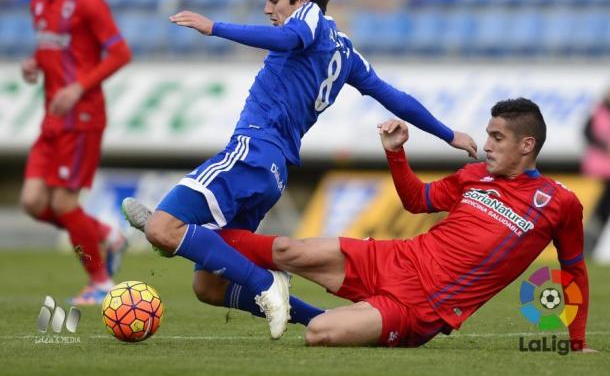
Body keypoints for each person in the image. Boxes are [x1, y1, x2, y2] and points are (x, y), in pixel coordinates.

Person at [122, 0, 477, 339]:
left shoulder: (308, 21)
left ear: (302, 0)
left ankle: (255, 279)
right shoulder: (346, 52)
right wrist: (448, 134)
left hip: (253, 150)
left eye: (274, 0)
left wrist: (215, 27)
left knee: (162, 227)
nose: (267, 8)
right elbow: (394, 97)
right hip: (273, 171)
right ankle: (319, 318)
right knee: (208, 287)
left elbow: (293, 35)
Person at [208, 98, 592, 351]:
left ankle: (295, 300)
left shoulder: (559, 202)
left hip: (422, 307)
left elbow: (574, 271)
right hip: (395, 257)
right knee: (287, 250)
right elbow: (417, 201)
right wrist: (396, 155)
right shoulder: (474, 176)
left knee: (319, 333)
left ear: (526, 145)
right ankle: (188, 233)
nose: (487, 144)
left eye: (497, 137)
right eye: (488, 135)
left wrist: (576, 341)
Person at [20, 0, 131, 305]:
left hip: (82, 118)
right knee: (34, 202)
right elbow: (55, 49)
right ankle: (103, 232)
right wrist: (34, 63)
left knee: (64, 204)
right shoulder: (37, 0)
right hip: (51, 119)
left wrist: (77, 87)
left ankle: (99, 280)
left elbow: (120, 53)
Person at [581, 88, 610, 251]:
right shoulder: (598, 112)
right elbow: (587, 133)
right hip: (598, 171)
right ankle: (588, 245)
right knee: (597, 212)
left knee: (601, 212)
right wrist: (604, 146)